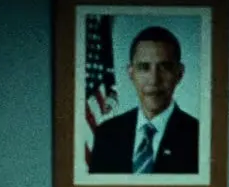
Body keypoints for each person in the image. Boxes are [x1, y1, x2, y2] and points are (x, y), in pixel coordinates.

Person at [86, 25, 202, 174]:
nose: (154, 80)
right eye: (144, 67)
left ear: (179, 73)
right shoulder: (106, 134)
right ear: (131, 73)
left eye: (164, 67)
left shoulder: (199, 136)